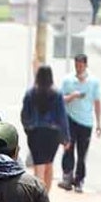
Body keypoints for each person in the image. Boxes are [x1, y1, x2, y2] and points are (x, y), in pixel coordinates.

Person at [20, 64, 71, 193]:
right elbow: (62, 117)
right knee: (49, 164)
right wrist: (65, 138)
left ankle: (38, 195)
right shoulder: (57, 94)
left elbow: (24, 115)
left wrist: (28, 128)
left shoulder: (30, 94)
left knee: (39, 165)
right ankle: (46, 195)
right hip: (52, 134)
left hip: (35, 133)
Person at [58, 54, 101, 193]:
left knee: (82, 153)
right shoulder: (68, 80)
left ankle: (79, 180)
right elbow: (60, 99)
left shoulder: (93, 82)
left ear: (86, 65)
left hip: (86, 122)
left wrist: (99, 123)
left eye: (81, 65)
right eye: (77, 65)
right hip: (69, 119)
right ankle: (67, 177)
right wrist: (73, 96)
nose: (79, 68)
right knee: (68, 149)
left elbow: (97, 102)